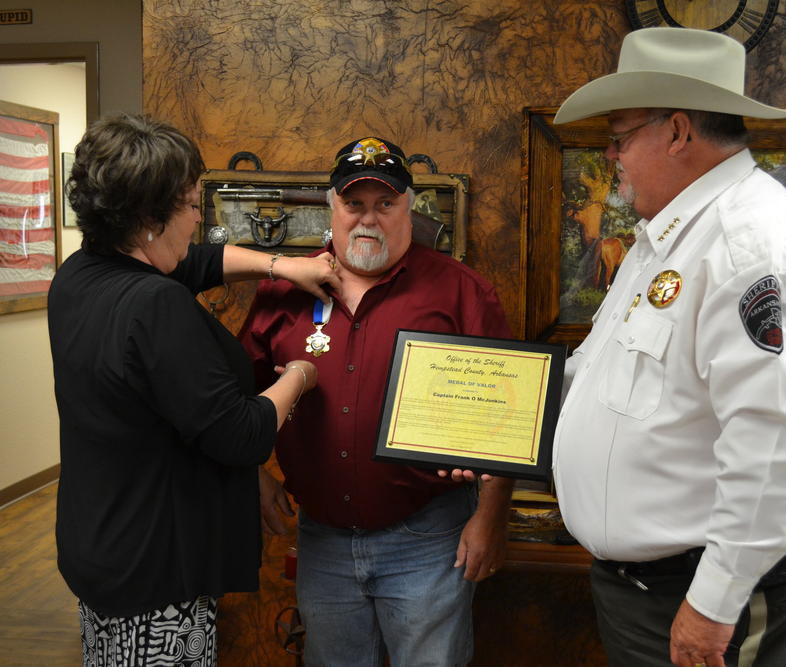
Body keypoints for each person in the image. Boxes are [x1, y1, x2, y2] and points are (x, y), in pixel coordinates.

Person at [549, 28, 786, 667]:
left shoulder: (750, 247)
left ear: (676, 131)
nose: (610, 153)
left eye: (620, 134)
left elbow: (778, 442)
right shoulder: (669, 238)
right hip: (654, 589)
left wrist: (713, 604)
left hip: (716, 597)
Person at [47, 114, 340, 667]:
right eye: (187, 205)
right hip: (153, 566)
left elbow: (198, 263)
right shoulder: (156, 307)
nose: (195, 220)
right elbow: (242, 434)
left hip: (101, 542)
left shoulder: (80, 275)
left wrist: (281, 267)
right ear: (149, 220)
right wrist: (299, 376)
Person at [239, 136, 514, 666]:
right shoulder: (282, 292)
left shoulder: (462, 292)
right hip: (321, 539)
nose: (368, 219)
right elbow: (229, 400)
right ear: (332, 208)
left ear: (409, 207)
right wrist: (253, 473)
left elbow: (504, 418)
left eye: (385, 204)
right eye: (354, 204)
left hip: (429, 537)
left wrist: (491, 518)